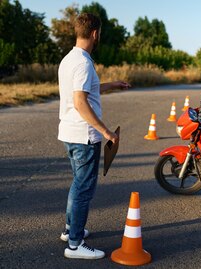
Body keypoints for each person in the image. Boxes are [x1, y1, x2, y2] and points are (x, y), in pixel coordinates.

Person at [58, 13, 130, 259]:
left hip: (69, 132)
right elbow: (80, 101)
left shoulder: (69, 59)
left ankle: (71, 230)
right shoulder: (83, 63)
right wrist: (105, 131)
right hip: (83, 135)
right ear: (95, 33)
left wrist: (112, 85)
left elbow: (84, 90)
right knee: (83, 188)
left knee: (78, 184)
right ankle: (75, 245)